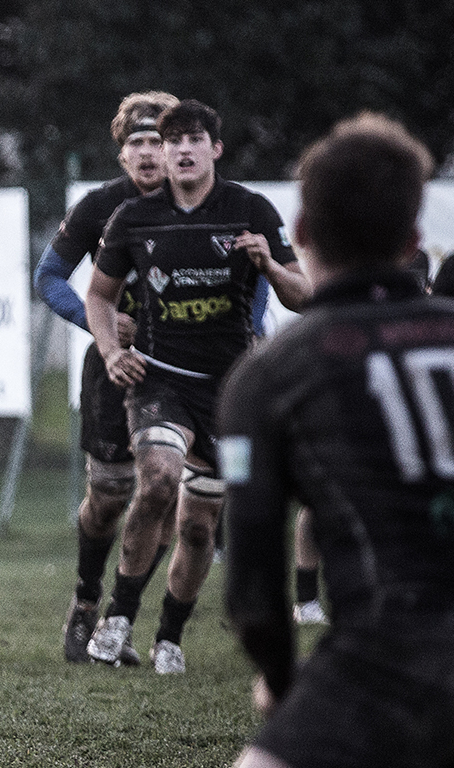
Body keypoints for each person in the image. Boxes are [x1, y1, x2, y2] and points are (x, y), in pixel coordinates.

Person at [184, 113, 454, 768]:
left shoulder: (278, 371)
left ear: (301, 231)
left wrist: (280, 680)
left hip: (393, 662)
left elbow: (254, 582)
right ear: (414, 237)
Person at [82, 100, 308, 674]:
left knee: (199, 525)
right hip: (161, 378)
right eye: (172, 140)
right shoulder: (135, 217)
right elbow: (99, 295)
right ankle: (117, 617)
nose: (182, 149)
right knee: (158, 478)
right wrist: (111, 351)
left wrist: (270, 266)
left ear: (215, 149)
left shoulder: (250, 211)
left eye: (193, 139)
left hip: (231, 392)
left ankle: (170, 636)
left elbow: (303, 296)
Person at [35, 92, 177, 664]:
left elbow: (256, 269)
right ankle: (86, 599)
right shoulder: (100, 207)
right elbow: (49, 277)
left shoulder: (207, 205)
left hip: (183, 368)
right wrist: (97, 323)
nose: (147, 153)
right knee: (110, 494)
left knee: (166, 492)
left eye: (157, 141)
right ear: (122, 154)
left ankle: (119, 621)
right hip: (114, 365)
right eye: (136, 143)